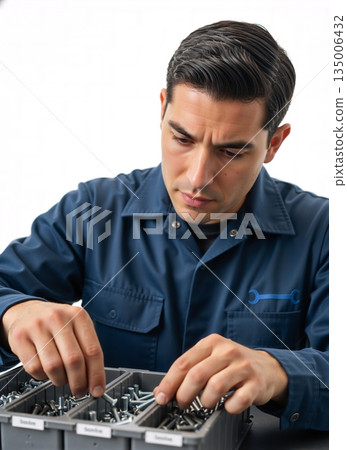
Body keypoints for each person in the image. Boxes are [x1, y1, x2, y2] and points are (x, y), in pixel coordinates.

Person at [0, 20, 328, 431]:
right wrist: (11, 312)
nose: (198, 177)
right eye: (183, 139)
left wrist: (279, 372)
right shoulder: (92, 210)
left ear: (274, 144)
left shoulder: (325, 232)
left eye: (231, 151)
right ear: (162, 110)